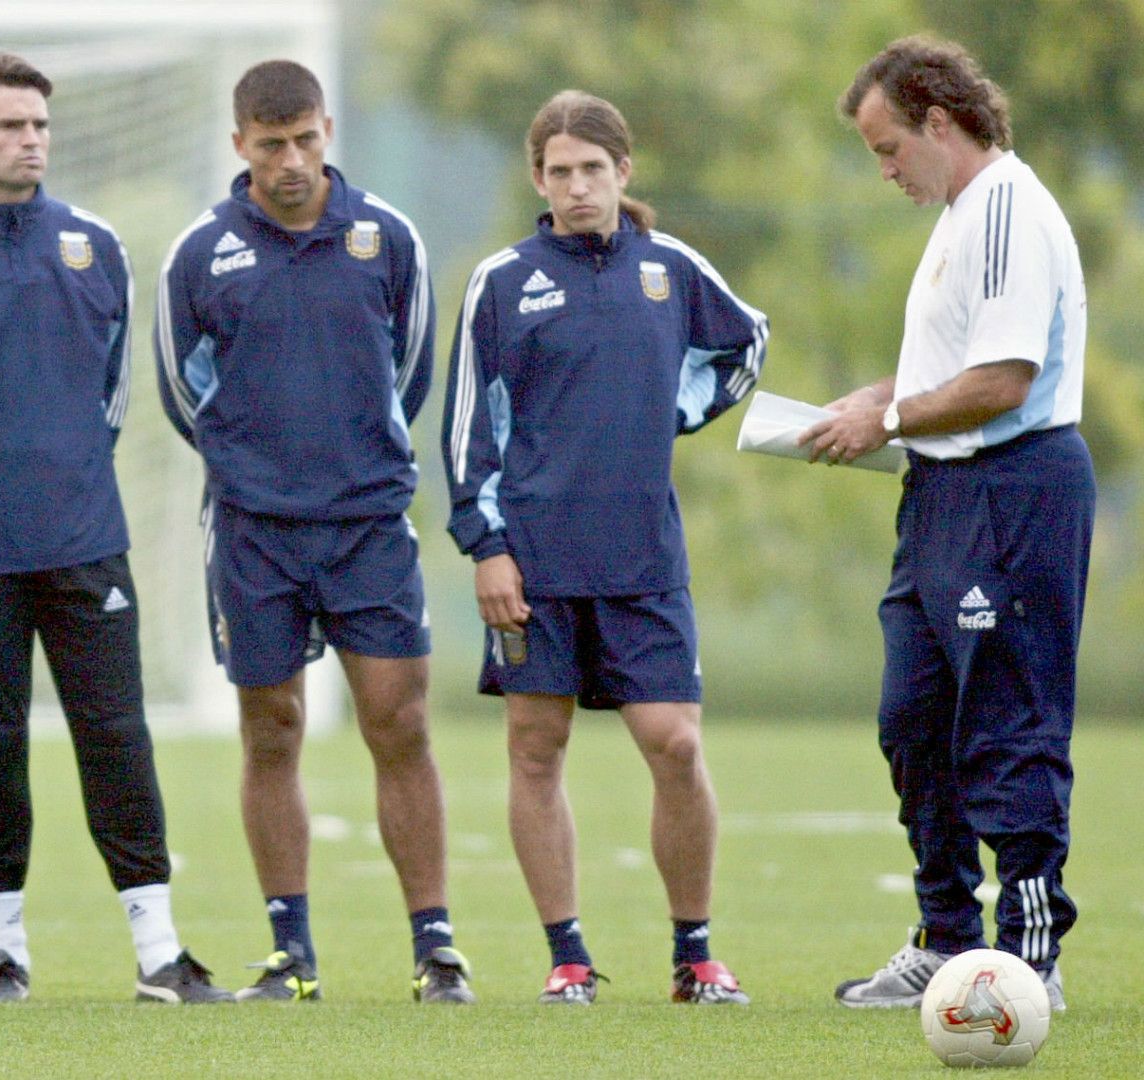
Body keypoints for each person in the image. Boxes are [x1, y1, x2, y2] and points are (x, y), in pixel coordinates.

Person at [0, 52, 230, 1005]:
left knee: (117, 736)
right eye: (10, 126)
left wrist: (57, 476)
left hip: (82, 538)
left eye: (40, 126)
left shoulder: (94, 244)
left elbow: (109, 393)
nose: (30, 141)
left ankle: (159, 955)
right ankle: (3, 953)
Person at [442, 90, 766, 1007]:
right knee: (535, 745)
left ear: (624, 172)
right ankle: (568, 957)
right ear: (537, 178)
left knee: (674, 743)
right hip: (533, 564)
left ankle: (696, 954)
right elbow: (468, 426)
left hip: (641, 559)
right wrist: (485, 545)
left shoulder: (671, 269)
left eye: (593, 169)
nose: (577, 187)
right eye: (559, 172)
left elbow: (746, 345)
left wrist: (679, 408)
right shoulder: (502, 281)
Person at [155, 59, 469, 1004]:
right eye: (270, 145)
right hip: (252, 532)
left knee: (398, 722)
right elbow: (181, 389)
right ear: (239, 144)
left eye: (305, 141)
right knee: (272, 729)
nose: (290, 162)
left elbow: (409, 373)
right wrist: (257, 465)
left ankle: (436, 947)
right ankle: (292, 952)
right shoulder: (200, 253)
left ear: (328, 131)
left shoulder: (387, 238)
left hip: (368, 524)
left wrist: (355, 453)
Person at [805, 36, 1090, 1013]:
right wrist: (874, 401)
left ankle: (1028, 950)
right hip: (939, 496)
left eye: (889, 149)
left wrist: (881, 417)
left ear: (939, 120)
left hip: (1013, 487)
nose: (885, 170)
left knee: (1008, 724)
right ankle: (945, 938)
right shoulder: (962, 218)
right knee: (912, 719)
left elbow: (1003, 380)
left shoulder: (1008, 208)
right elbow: (948, 372)